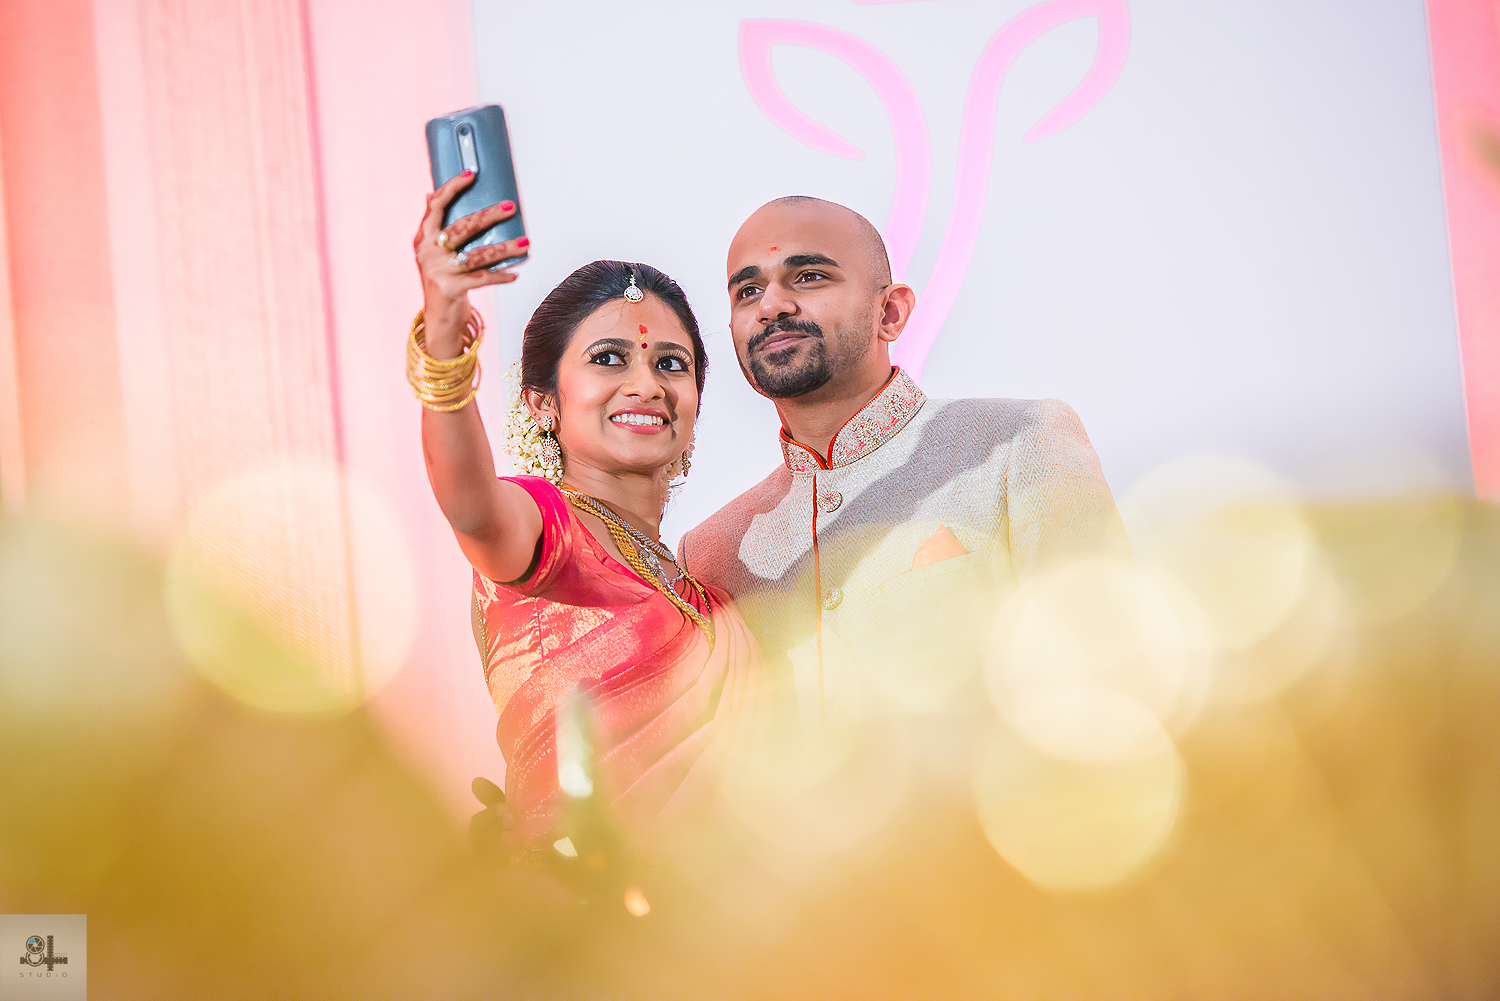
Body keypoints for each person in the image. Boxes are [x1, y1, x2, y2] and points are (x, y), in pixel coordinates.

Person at [678, 196, 1129, 723]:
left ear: (889, 313)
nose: (771, 306)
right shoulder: (708, 556)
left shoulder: (1018, 444)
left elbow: (1114, 682)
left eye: (809, 277)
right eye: (748, 291)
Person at [411, 173, 759, 852]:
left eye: (671, 364)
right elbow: (471, 508)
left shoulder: (710, 593)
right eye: (608, 359)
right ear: (544, 403)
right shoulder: (544, 530)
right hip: (575, 903)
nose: (645, 384)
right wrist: (444, 332)